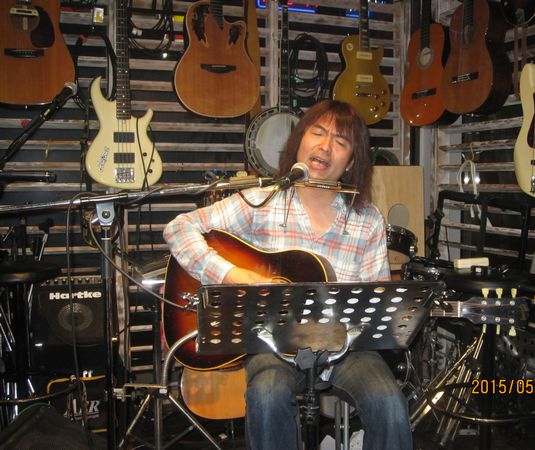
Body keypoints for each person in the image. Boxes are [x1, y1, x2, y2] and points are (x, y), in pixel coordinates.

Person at [163, 99, 412, 449]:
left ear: (351, 162)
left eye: (341, 142)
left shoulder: (367, 220)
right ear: (299, 141)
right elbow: (179, 228)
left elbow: (376, 303)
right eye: (318, 133)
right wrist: (231, 274)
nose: (325, 146)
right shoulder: (261, 202)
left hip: (346, 349)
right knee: (267, 395)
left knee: (388, 400)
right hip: (272, 344)